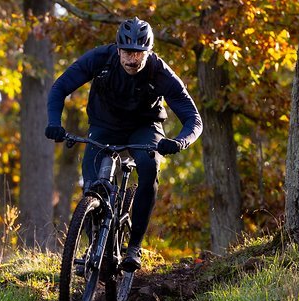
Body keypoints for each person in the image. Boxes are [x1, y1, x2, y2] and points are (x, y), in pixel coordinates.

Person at [44, 17, 202, 270]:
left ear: (148, 52)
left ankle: (134, 247)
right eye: (127, 52)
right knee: (93, 185)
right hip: (103, 126)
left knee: (149, 168)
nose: (132, 59)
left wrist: (179, 142)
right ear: (117, 49)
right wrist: (54, 122)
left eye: (139, 53)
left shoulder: (160, 72)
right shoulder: (99, 58)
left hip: (144, 128)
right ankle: (94, 245)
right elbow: (60, 87)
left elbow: (194, 119)